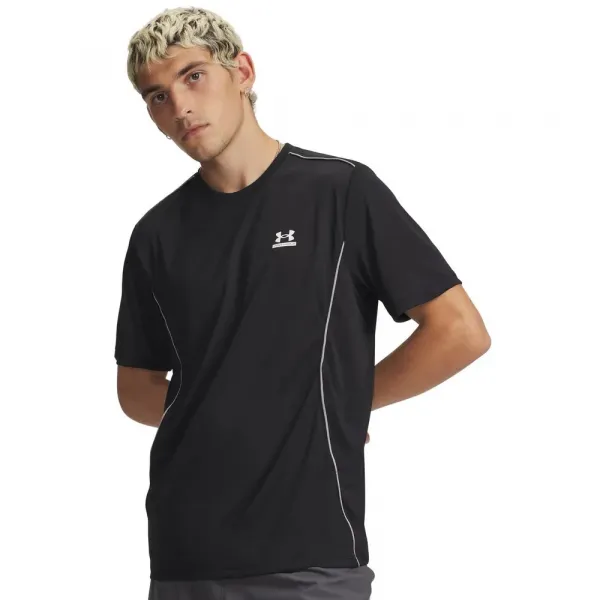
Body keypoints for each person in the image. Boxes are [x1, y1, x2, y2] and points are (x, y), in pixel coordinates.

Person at [114, 7, 491, 600]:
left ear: (241, 71)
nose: (179, 106)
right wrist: (237, 414)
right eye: (157, 96)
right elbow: (135, 389)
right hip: (184, 551)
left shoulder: (340, 192)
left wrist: (339, 405)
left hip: (308, 554)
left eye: (193, 76)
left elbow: (459, 331)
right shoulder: (155, 235)